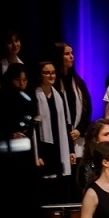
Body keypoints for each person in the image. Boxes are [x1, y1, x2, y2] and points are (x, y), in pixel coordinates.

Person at [33, 57, 76, 201]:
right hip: (45, 147)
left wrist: (70, 150)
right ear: (40, 75)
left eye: (53, 72)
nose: (51, 76)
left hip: (59, 145)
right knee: (47, 185)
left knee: (61, 184)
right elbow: (34, 128)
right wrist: (37, 153)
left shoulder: (59, 96)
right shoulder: (36, 96)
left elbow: (67, 122)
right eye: (46, 73)